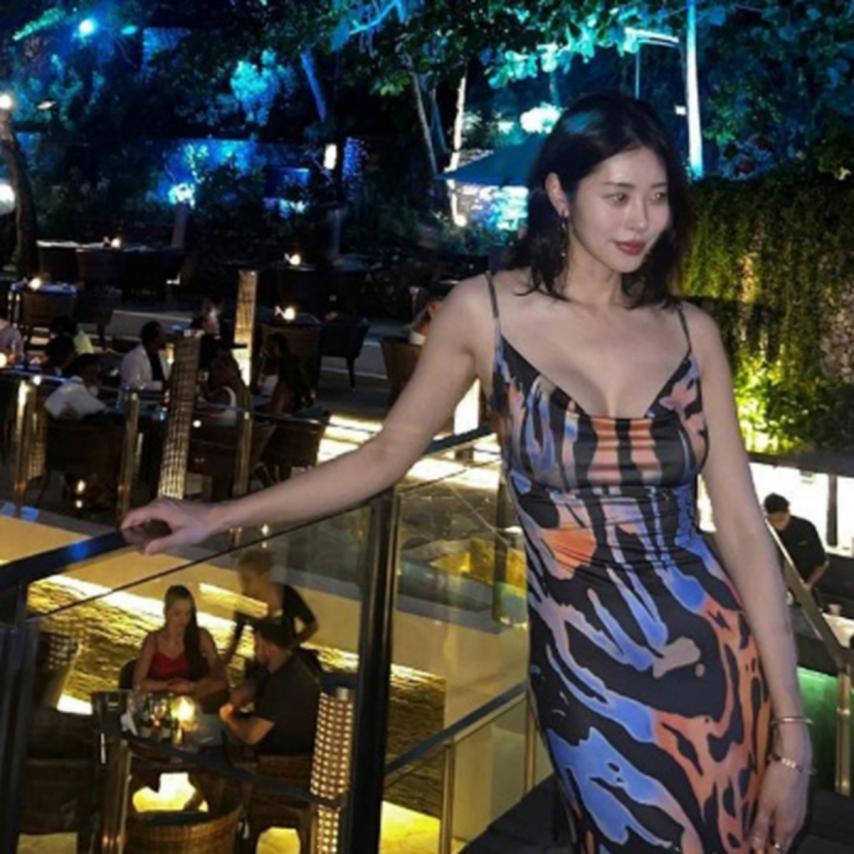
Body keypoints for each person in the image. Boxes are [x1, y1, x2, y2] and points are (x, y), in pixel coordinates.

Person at [124, 92, 810, 852]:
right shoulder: (487, 313)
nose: (641, 220)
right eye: (617, 196)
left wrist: (792, 733)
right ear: (559, 194)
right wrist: (217, 515)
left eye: (657, 197)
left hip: (715, 658)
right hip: (589, 673)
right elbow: (384, 457)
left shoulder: (691, 332)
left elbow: (742, 529)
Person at [219, 617, 320, 754]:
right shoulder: (281, 663)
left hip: (287, 752)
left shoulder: (285, 683)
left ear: (270, 648)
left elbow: (251, 736)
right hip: (274, 734)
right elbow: (253, 684)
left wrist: (227, 717)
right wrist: (239, 695)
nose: (254, 650)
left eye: (257, 645)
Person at [133, 585, 227, 705]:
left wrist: (192, 686)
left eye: (187, 614)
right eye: (177, 614)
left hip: (191, 704)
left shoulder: (201, 637)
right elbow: (138, 683)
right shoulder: (153, 641)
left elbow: (221, 679)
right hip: (159, 704)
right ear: (166, 612)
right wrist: (169, 686)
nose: (183, 621)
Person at [223, 548, 318, 666]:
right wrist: (220, 666)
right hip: (262, 661)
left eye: (247, 579)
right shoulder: (246, 602)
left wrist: (289, 647)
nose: (243, 585)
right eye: (241, 579)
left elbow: (312, 625)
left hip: (287, 662)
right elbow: (235, 640)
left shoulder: (286, 594)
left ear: (263, 577)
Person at [764, 493, 829, 595]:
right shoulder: (761, 532)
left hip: (804, 586)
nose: (779, 523)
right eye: (774, 520)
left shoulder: (805, 528)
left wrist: (808, 584)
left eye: (782, 519)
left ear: (788, 512)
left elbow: (821, 562)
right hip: (771, 588)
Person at [44, 353, 106, 420]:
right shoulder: (74, 385)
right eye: (91, 373)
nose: (94, 378)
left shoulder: (88, 388)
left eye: (97, 374)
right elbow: (94, 408)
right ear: (81, 370)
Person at [200, 352, 251, 427]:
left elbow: (207, 412)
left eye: (214, 373)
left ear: (222, 373)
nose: (212, 377)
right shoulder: (238, 389)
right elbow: (211, 400)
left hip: (218, 432)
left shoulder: (225, 393)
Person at [120, 321, 170, 391]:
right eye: (162, 336)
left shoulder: (161, 356)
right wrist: (159, 385)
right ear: (156, 339)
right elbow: (133, 384)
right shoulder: (134, 358)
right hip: (143, 397)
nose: (165, 339)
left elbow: (167, 376)